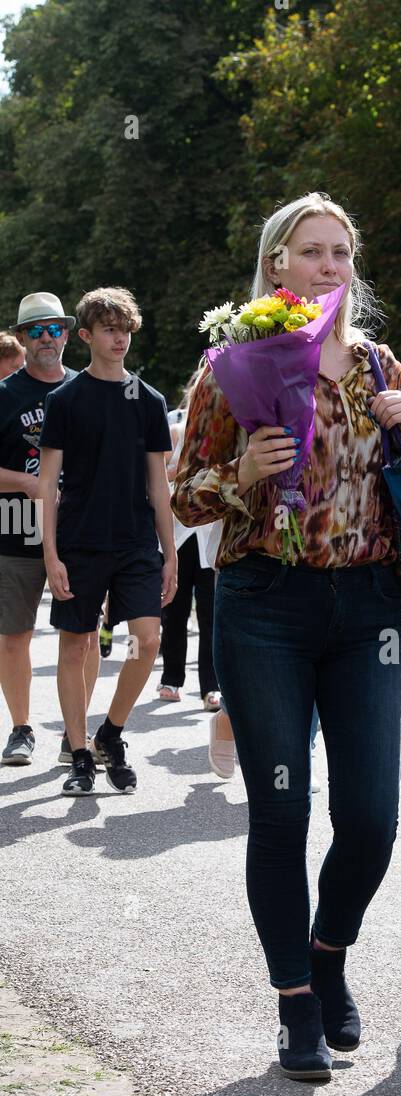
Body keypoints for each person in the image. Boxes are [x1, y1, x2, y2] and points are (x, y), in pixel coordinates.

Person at [172, 192, 401, 1084]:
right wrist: (240, 470)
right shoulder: (236, 365)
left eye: (341, 253)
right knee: (282, 809)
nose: (330, 267)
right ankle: (295, 1006)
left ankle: (329, 955)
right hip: (265, 607)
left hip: (365, 611)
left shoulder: (378, 365)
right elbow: (184, 497)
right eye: (312, 252)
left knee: (372, 817)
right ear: (277, 265)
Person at [37, 286, 177, 795]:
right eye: (110, 330)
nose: (120, 339)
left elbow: (159, 485)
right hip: (79, 542)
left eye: (125, 330)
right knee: (75, 647)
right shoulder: (65, 400)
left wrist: (170, 554)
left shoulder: (150, 401)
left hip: (138, 541)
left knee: (148, 640)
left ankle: (110, 734)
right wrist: (50, 553)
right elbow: (47, 485)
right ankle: (78, 755)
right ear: (87, 335)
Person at [0, 293, 100, 768]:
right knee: (14, 635)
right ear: (22, 338)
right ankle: (21, 728)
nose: (46, 338)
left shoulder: (89, 388)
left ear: (67, 333)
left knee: (81, 633)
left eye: (54, 328)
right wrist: (30, 484)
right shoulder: (4, 395)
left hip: (79, 533)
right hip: (15, 532)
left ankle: (73, 733)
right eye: (35, 330)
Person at [157, 376, 221, 710]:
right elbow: (159, 473)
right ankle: (171, 678)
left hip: (211, 536)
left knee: (211, 614)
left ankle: (211, 686)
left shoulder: (227, 430)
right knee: (175, 609)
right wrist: (185, 471)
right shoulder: (178, 431)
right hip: (179, 532)